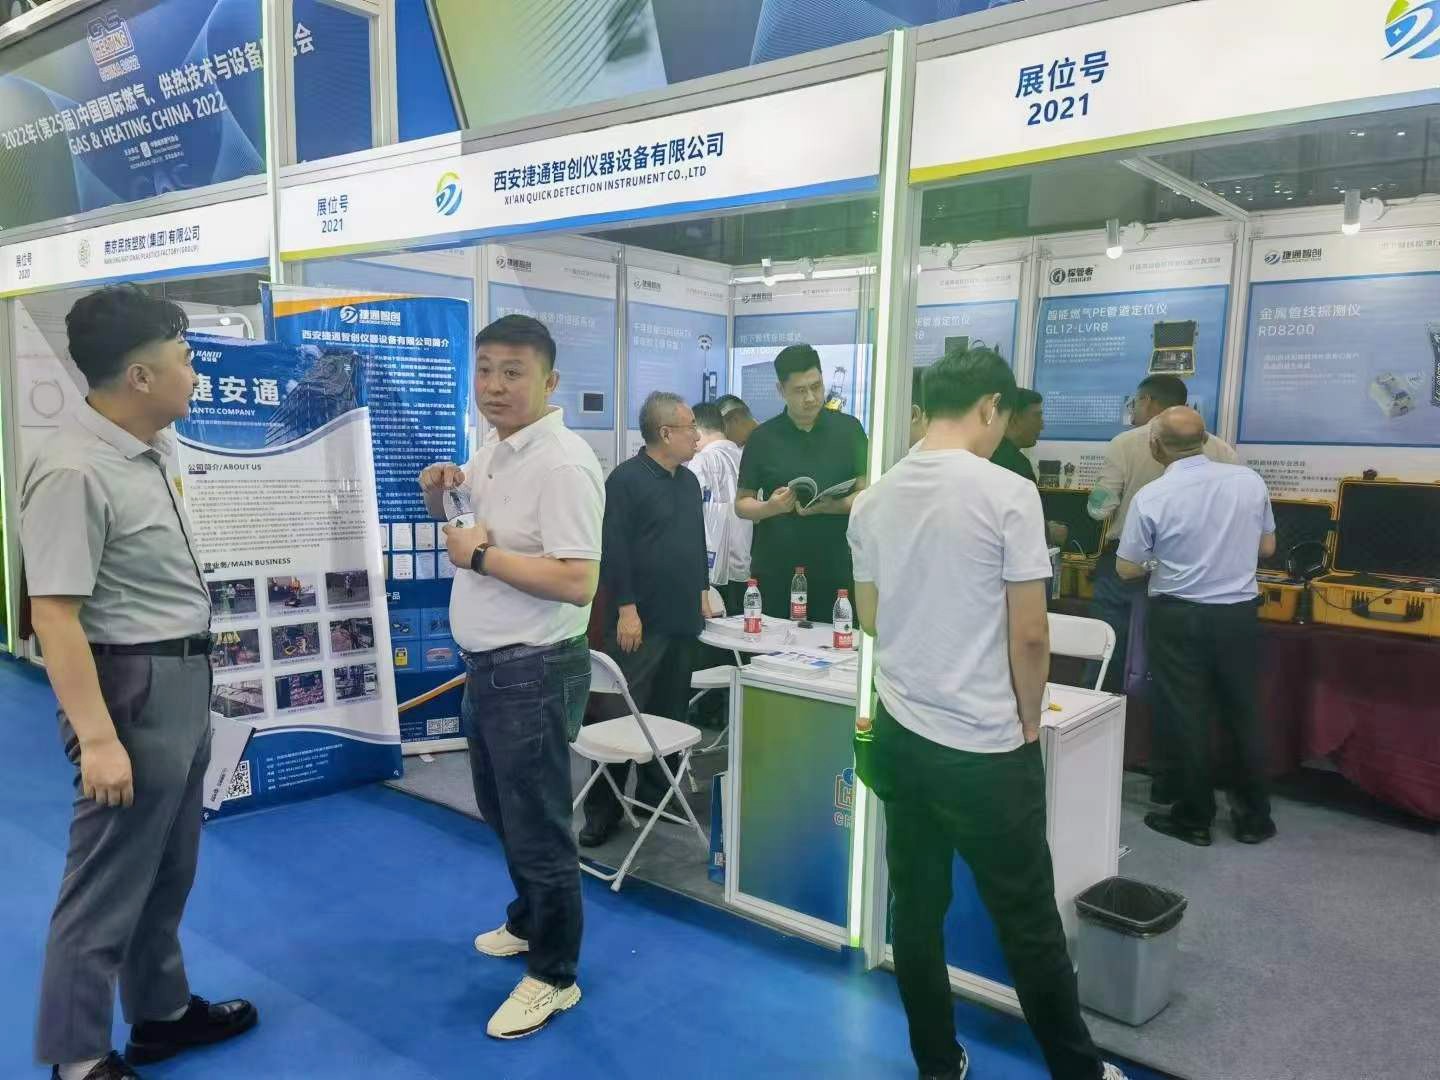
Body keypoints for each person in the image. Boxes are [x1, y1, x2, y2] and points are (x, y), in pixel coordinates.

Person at [848, 348, 1125, 1080]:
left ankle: (938, 1064)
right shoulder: (1008, 492)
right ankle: (1079, 1072)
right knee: (1027, 921)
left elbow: (871, 618)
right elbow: (1031, 633)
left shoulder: (874, 499)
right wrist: (1030, 719)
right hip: (985, 747)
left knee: (915, 910)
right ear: (990, 407)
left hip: (902, 734)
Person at [22, 286, 257, 1080]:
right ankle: (77, 1058)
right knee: (106, 880)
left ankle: (159, 1012)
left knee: (167, 868)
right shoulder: (74, 470)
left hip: (182, 677)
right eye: (185, 360)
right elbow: (55, 615)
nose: (197, 375)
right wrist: (97, 740)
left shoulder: (150, 448)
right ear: (140, 377)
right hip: (131, 687)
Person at [419, 314, 603, 1040]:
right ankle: (529, 921)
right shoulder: (494, 448)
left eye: (513, 372)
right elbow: (468, 529)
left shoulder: (562, 464)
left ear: (550, 381)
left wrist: (482, 557)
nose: (494, 385)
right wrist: (441, 493)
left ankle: (555, 977)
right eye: (486, 369)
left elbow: (578, 580)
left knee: (538, 829)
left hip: (533, 669)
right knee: (503, 812)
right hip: (489, 667)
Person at [1117, 407, 1277, 848]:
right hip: (1238, 615)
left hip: (1179, 617)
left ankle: (1194, 818)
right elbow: (1267, 547)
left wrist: (1161, 561)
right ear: (1205, 440)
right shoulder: (1249, 481)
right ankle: (1254, 818)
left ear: (1155, 446)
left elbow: (1127, 568)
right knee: (1243, 712)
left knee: (1187, 715)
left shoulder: (1152, 495)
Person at [579, 392, 710, 847]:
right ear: (665, 433)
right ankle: (602, 810)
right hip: (639, 621)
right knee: (618, 714)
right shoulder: (626, 480)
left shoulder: (688, 482)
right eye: (690, 428)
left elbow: (695, 541)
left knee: (670, 713)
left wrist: (702, 591)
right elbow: (613, 549)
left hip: (682, 619)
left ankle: (656, 798)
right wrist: (626, 608)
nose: (697, 436)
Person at [1086, 375, 1237, 697]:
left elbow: (1100, 509)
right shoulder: (1221, 449)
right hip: (1194, 568)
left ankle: (1097, 713)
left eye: (1135, 402)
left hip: (1128, 565)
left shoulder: (1125, 443)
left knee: (1107, 652)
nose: (1134, 409)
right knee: (1176, 660)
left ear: (1148, 401)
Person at [736, 345, 868, 620]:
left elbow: (867, 492)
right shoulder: (762, 437)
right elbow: (742, 504)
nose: (811, 397)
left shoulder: (849, 430)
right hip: (777, 566)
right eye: (799, 390)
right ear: (781, 390)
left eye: (816, 386)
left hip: (834, 565)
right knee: (773, 640)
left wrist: (834, 506)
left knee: (836, 640)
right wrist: (770, 507)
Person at [687, 400, 753, 615]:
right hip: (743, 565)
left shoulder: (701, 460)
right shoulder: (745, 457)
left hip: (710, 570)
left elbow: (689, 511)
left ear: (697, 431)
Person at [990, 387, 1044, 484]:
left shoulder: (985, 454)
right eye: (1036, 417)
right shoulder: (1018, 466)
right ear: (1014, 420)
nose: (1041, 426)